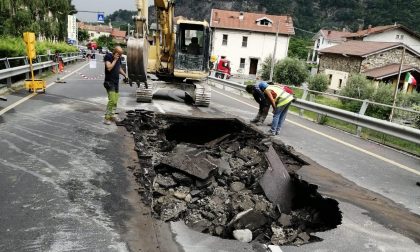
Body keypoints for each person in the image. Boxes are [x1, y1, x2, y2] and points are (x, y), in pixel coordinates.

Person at [103, 46, 128, 125]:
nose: (120, 56)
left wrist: (125, 75)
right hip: (109, 82)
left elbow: (118, 68)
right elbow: (109, 68)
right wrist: (115, 59)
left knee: (115, 100)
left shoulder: (119, 58)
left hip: (116, 82)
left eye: (121, 55)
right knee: (112, 100)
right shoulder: (109, 56)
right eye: (119, 54)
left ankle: (112, 115)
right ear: (115, 52)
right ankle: (107, 118)